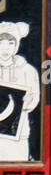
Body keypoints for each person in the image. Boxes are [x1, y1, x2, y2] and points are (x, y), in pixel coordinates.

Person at [0, 21, 40, 162]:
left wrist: (29, 101)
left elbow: (34, 98)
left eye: (10, 43)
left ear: (16, 45)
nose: (6, 48)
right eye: (1, 42)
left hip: (17, 132)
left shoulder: (27, 71)